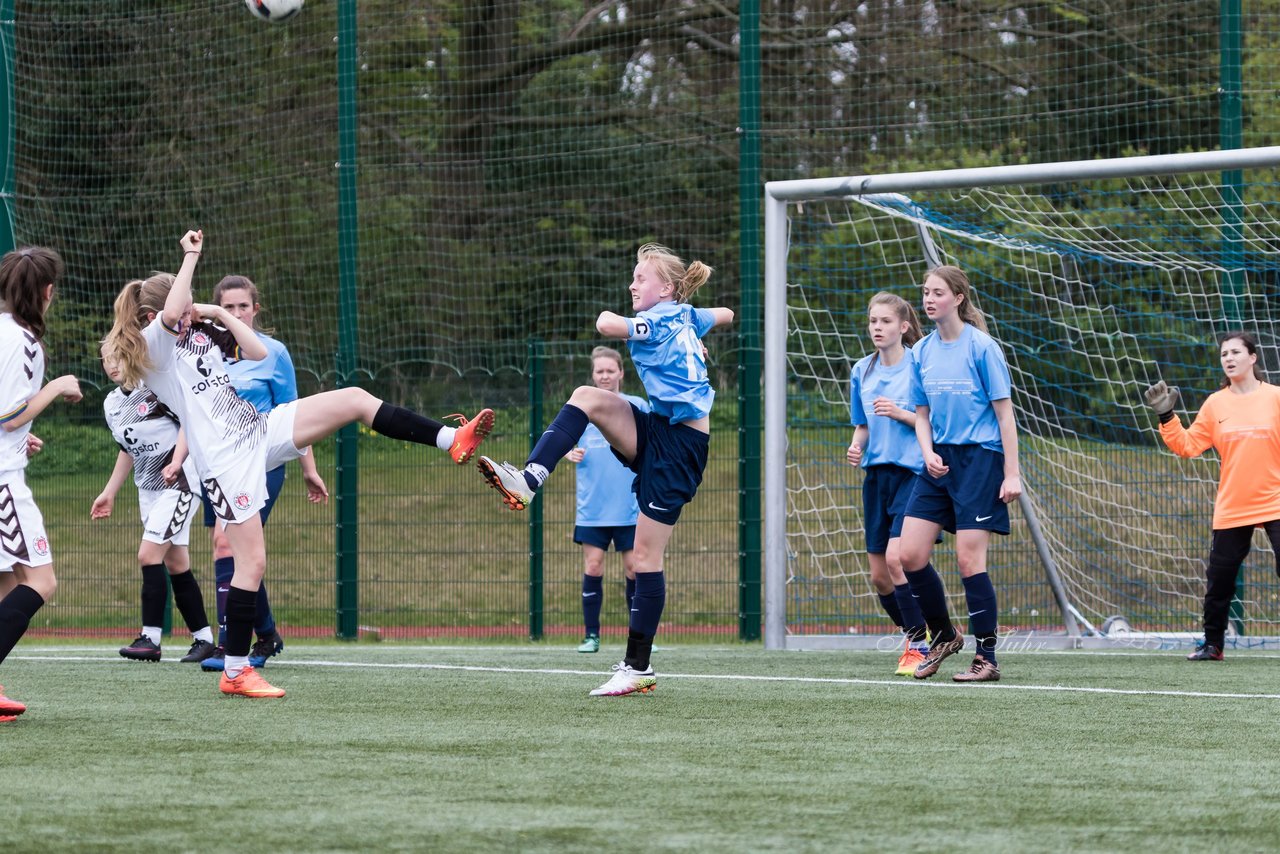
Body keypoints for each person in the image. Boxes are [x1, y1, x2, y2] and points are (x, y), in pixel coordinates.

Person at [105, 229, 494, 699]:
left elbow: (258, 351)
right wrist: (191, 256)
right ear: (153, 315)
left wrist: (215, 312)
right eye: (185, 306)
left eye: (189, 308)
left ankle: (452, 438)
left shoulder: (199, 332)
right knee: (252, 561)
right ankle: (235, 671)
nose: (188, 313)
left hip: (256, 430)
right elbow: (171, 311)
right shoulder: (155, 344)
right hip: (224, 462)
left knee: (353, 398)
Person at [477, 242, 733, 696]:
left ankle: (638, 668)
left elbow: (606, 323)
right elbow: (727, 313)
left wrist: (643, 325)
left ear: (666, 289)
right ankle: (531, 478)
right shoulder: (685, 316)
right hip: (660, 428)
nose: (633, 284)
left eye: (641, 278)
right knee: (586, 396)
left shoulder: (658, 319)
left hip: (682, 448)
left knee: (644, 558)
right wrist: (695, 331)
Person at [196, 274, 328, 673]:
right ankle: (266, 633)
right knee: (237, 553)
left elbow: (295, 416)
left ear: (255, 309)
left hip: (262, 461)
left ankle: (226, 644)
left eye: (243, 306)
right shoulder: (204, 352)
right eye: (229, 307)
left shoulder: (273, 353)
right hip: (217, 464)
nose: (237, 313)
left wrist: (310, 469)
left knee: (225, 543)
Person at [898, 265, 1021, 683]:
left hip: (981, 460)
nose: (928, 299)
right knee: (909, 554)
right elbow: (921, 415)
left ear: (958, 298)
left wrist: (1012, 474)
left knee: (969, 560)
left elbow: (1005, 417)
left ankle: (987, 658)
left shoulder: (982, 347)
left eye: (937, 292)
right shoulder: (922, 352)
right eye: (925, 292)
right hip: (939, 462)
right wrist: (928, 452)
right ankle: (946, 635)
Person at [1145, 331, 1280, 662]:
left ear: (1253, 357)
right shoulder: (1216, 403)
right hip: (1233, 504)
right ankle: (1212, 645)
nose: (1229, 358)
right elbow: (1187, 446)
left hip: (1275, 499)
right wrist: (1166, 416)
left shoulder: (1275, 397)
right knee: (1219, 580)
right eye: (1224, 354)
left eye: (1236, 352)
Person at [91, 345, 217, 663]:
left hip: (179, 485)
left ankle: (151, 639)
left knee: (148, 555)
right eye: (106, 358)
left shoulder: (157, 388)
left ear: (132, 353)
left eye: (118, 355)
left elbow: (190, 422)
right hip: (148, 490)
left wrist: (176, 461)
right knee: (176, 564)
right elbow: (127, 450)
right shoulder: (112, 403)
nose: (112, 364)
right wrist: (109, 492)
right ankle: (204, 640)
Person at [0, 246, 83, 721]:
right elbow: (9, 415)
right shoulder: (24, 343)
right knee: (40, 580)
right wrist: (56, 387)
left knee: (6, 582)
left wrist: (20, 434)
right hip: (4, 484)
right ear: (47, 291)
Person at [847, 292, 931, 676]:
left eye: (885, 321)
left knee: (899, 560)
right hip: (877, 477)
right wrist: (855, 445)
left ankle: (918, 646)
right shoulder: (861, 370)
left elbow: (932, 422)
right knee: (880, 576)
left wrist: (900, 414)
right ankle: (919, 629)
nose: (877, 328)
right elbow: (862, 425)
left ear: (903, 326)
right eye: (872, 321)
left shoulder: (919, 365)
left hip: (913, 473)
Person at [564, 346, 650, 653]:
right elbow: (562, 438)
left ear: (621, 373)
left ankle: (639, 637)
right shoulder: (583, 407)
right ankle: (591, 636)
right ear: (593, 374)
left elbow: (650, 442)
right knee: (594, 566)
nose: (604, 376)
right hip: (593, 508)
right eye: (599, 371)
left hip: (629, 505)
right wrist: (567, 452)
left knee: (634, 569)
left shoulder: (637, 405)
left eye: (610, 370)